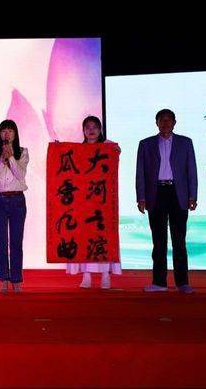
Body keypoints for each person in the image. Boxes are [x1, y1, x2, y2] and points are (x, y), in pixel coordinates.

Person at [136, 109, 197, 293]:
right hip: (156, 193)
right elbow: (140, 172)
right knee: (159, 240)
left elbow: (191, 171)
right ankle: (159, 282)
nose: (165, 123)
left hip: (178, 193)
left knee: (179, 240)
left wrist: (192, 195)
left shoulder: (185, 143)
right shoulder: (146, 144)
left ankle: (182, 283)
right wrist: (141, 197)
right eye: (162, 120)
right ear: (156, 123)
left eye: (169, 120)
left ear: (174, 123)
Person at [66, 116, 122, 289]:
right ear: (83, 131)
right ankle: (86, 275)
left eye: (95, 127)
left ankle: (106, 274)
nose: (91, 130)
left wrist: (116, 151)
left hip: (103, 202)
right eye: (88, 127)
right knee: (84, 237)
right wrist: (60, 150)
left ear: (100, 129)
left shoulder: (108, 146)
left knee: (103, 237)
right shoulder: (78, 150)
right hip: (84, 202)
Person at [0, 119, 29, 293]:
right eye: (4, 131)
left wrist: (11, 157)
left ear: (15, 134)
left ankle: (17, 280)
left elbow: (20, 174)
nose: (7, 133)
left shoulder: (23, 152)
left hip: (17, 200)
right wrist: (2, 159)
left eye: (10, 131)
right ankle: (3, 279)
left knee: (16, 242)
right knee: (1, 243)